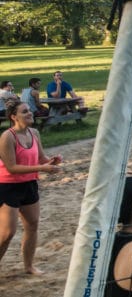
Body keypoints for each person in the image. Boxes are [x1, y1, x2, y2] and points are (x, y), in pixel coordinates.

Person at [0, 99, 62, 275]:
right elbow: (12, 167)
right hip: (7, 186)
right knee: (7, 234)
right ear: (14, 117)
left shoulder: (34, 132)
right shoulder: (7, 137)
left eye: (30, 110)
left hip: (29, 184)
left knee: (32, 226)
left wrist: (51, 161)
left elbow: (41, 158)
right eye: (25, 111)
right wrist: (42, 168)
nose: (30, 113)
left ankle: (28, 266)